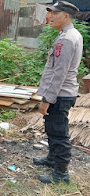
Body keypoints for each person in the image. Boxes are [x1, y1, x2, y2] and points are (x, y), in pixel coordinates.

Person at [34, 1, 82, 184]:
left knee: (59, 133)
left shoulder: (67, 39)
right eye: (50, 13)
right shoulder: (67, 35)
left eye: (55, 13)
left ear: (66, 16)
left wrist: (47, 99)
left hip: (60, 95)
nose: (50, 16)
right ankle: (52, 159)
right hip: (61, 94)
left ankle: (61, 174)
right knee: (52, 129)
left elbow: (59, 73)